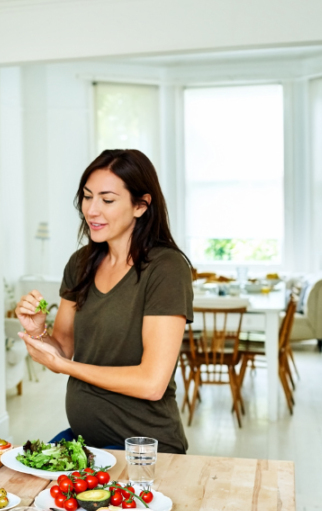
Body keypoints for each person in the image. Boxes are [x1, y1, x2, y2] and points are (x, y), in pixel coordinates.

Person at [15, 149, 192, 454]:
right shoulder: (80, 264)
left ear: (141, 205)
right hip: (88, 441)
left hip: (143, 447)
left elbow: (152, 383)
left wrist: (67, 367)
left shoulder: (166, 268)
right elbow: (64, 351)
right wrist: (37, 331)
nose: (91, 210)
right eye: (87, 197)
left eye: (107, 200)